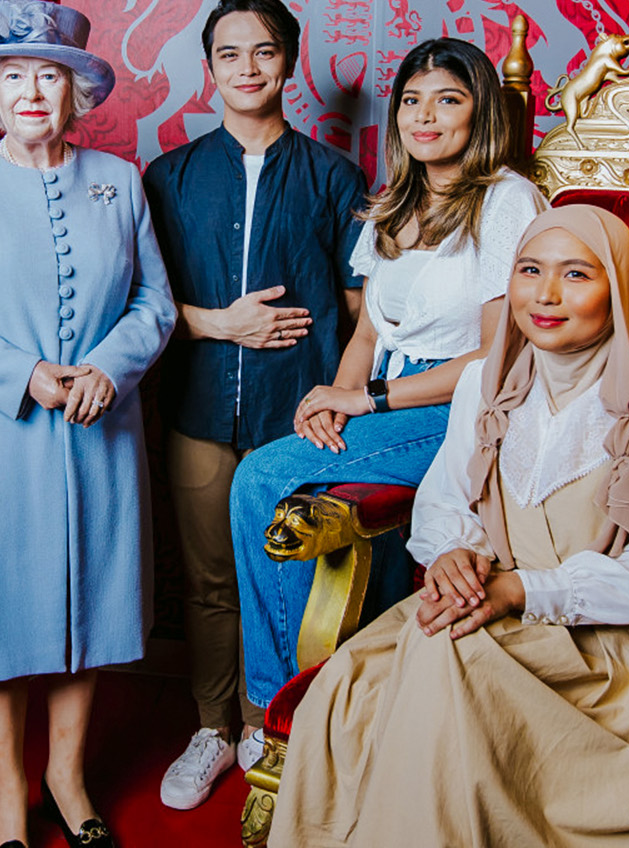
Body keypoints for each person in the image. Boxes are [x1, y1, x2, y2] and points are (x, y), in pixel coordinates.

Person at [271, 204, 629, 847]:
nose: (547, 294)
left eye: (577, 275)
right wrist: (453, 553)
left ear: (619, 290)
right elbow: (448, 496)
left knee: (440, 653)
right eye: (530, 270)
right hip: (494, 601)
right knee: (366, 679)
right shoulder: (486, 380)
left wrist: (524, 592)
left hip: (619, 643)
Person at [0, 0, 174, 848]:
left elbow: (153, 302)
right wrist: (28, 376)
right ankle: (11, 795)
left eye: (49, 77)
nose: (31, 93)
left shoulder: (119, 181)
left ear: (77, 95)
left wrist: (107, 368)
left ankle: (69, 776)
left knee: (89, 606)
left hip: (103, 427)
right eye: (13, 76)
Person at [228, 36, 545, 732]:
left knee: (258, 478)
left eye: (448, 99)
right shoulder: (393, 203)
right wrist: (331, 406)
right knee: (292, 480)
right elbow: (368, 335)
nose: (425, 115)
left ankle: (278, 712)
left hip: (461, 411)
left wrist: (366, 401)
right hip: (381, 402)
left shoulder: (506, 201)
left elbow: (497, 357)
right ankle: (339, 698)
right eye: (411, 100)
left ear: (480, 112)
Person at [142, 0, 368, 809]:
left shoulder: (336, 177)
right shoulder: (166, 178)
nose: (247, 67)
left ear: (289, 63)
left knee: (287, 582)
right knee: (206, 579)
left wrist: (342, 390)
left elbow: (367, 303)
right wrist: (219, 323)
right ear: (208, 70)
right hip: (199, 412)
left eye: (263, 51)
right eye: (229, 53)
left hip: (294, 420)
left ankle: (265, 725)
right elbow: (137, 302)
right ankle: (210, 725)